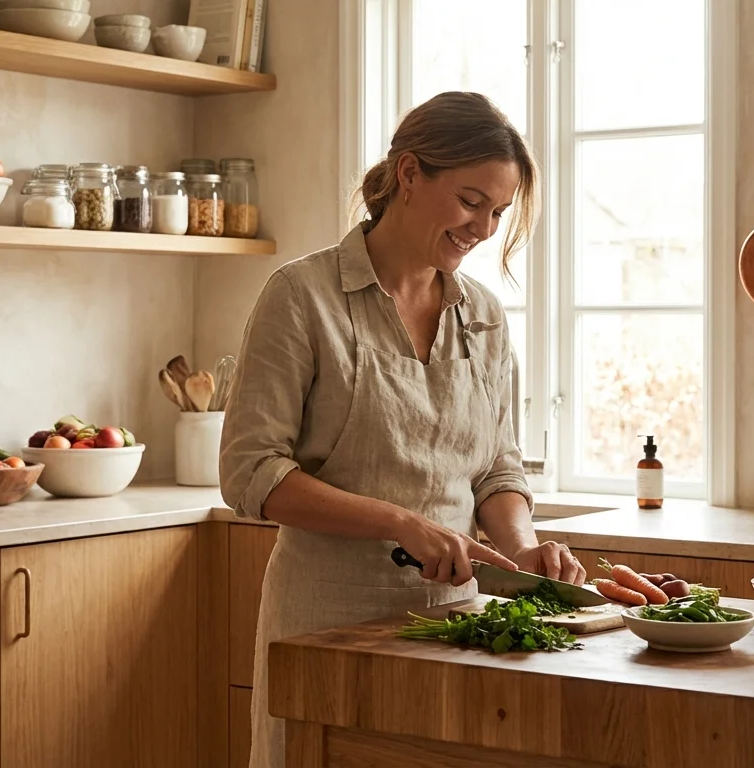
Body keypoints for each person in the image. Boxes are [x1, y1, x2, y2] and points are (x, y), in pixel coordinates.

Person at [218, 91, 588, 768]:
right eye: (471, 201)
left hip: (460, 626)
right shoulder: (301, 297)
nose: (483, 227)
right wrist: (400, 522)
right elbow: (251, 475)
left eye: (499, 213)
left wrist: (524, 552)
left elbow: (496, 468)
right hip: (326, 625)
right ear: (410, 174)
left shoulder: (482, 314)